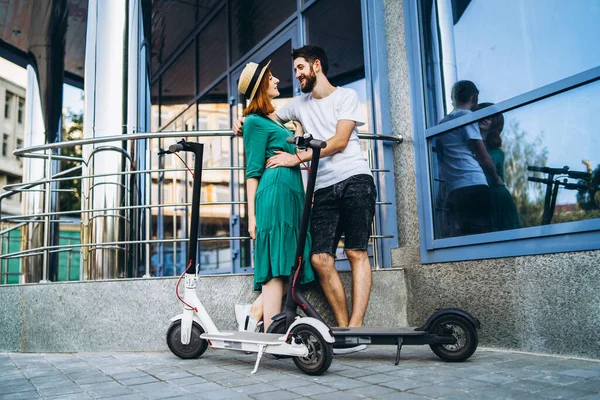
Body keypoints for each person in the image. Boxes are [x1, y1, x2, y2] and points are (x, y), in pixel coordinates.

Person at [234, 46, 376, 353]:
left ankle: (356, 329)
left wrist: (294, 158)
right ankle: (340, 331)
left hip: (355, 180)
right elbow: (262, 117)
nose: (294, 75)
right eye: (292, 70)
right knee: (319, 258)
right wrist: (241, 122)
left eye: (300, 68)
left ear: (317, 66)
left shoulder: (346, 96)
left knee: (356, 253)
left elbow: (339, 142)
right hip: (321, 187)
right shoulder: (298, 104)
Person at [234, 60, 315, 332]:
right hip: (275, 193)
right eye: (271, 78)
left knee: (288, 261)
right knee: (277, 263)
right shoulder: (256, 122)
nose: (277, 80)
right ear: (260, 88)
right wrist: (251, 216)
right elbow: (252, 170)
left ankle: (256, 312)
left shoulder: (270, 119)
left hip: (290, 193)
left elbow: (297, 142)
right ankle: (271, 332)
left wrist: (297, 130)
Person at [434, 80, 503, 236]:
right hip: (474, 183)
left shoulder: (442, 123)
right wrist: (496, 178)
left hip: (454, 188)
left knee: (467, 234)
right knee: (484, 233)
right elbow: (482, 155)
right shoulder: (466, 116)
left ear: (453, 99)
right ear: (475, 98)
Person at [471, 102, 520, 231]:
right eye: (481, 115)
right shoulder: (466, 147)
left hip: (498, 202)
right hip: (476, 201)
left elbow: (499, 181)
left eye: (489, 117)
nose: (484, 119)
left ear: (495, 123)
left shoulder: (498, 153)